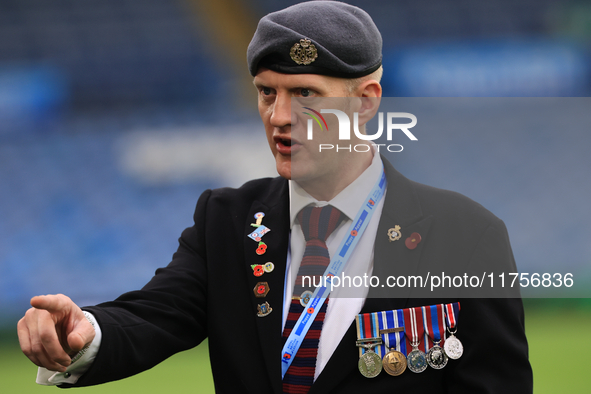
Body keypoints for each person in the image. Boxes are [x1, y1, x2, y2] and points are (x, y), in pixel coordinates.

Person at [17, 2, 533, 393]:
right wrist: (84, 331)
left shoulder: (466, 235)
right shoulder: (227, 220)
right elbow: (154, 315)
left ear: (366, 101)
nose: (279, 116)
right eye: (268, 92)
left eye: (304, 93)